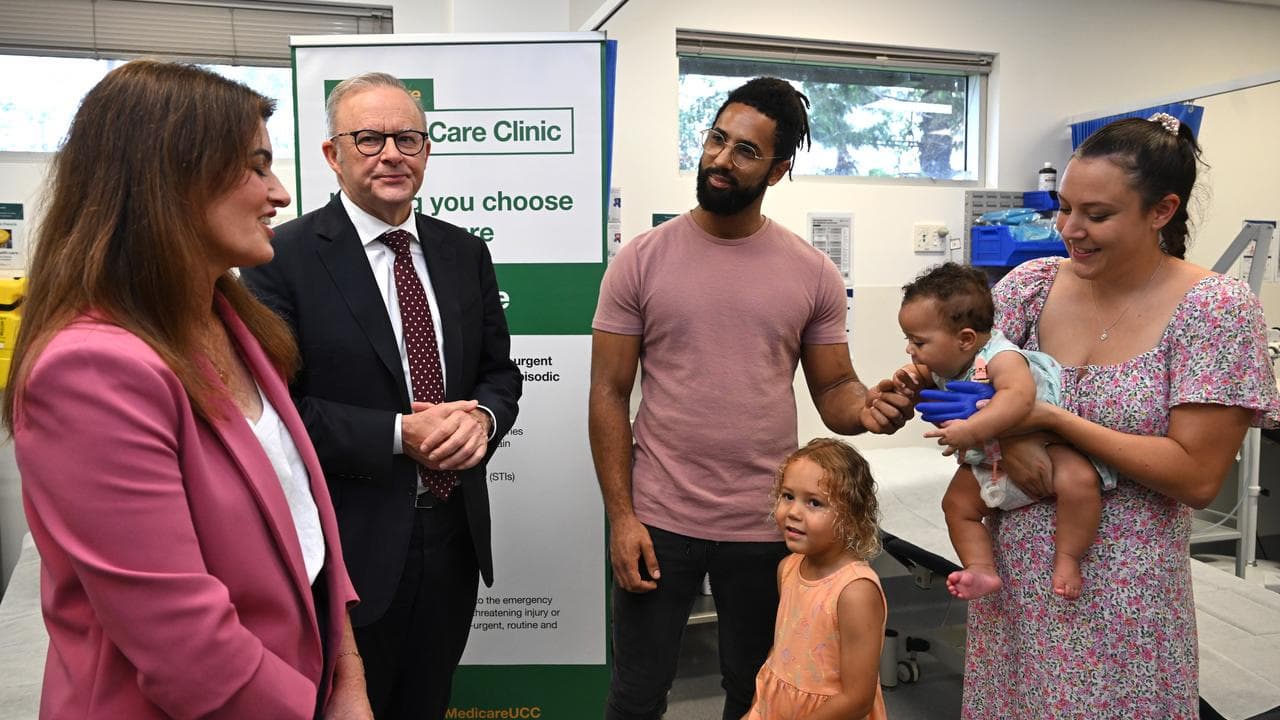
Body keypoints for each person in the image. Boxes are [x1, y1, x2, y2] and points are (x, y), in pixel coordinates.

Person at [5, 60, 369, 719]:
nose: (280, 192)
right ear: (168, 177)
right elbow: (185, 649)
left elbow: (305, 525)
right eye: (256, 167)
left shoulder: (229, 321)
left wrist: (349, 675)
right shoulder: (89, 370)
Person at [590, 76, 911, 720]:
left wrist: (868, 410)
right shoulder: (641, 261)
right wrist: (623, 517)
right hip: (660, 519)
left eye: (745, 151)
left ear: (779, 168)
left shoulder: (811, 271)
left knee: (756, 691)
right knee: (636, 695)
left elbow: (833, 390)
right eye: (716, 140)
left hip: (766, 525)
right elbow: (608, 393)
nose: (720, 159)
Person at [943, 114, 1280, 716]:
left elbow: (1196, 476)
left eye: (1096, 215)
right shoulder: (1030, 287)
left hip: (1124, 599)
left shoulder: (1214, 311)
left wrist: (1048, 422)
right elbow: (976, 403)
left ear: (1161, 211)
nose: (1070, 230)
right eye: (1064, 207)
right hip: (1015, 584)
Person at [241, 72, 522, 719]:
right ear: (332, 155)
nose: (391, 153)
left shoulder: (463, 253)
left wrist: (482, 417)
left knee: (428, 705)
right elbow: (273, 414)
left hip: (453, 538)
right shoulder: (279, 259)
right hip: (346, 548)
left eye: (407, 138)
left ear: (426, 151)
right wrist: (400, 434)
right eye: (368, 139)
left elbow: (499, 373)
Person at [893, 262, 1115, 600]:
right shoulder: (947, 358)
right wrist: (910, 379)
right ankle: (982, 569)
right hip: (993, 453)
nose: (911, 349)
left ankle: (1069, 557)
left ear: (965, 339)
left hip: (1045, 438)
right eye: (909, 340)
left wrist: (971, 430)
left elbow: (1019, 399)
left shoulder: (1001, 357)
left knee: (1080, 482)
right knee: (956, 505)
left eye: (918, 342)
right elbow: (927, 375)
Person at [744, 438, 887, 720]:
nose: (793, 512)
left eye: (814, 503)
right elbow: (780, 654)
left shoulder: (855, 592)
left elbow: (857, 698)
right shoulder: (788, 568)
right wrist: (756, 710)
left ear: (852, 517)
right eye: (787, 496)